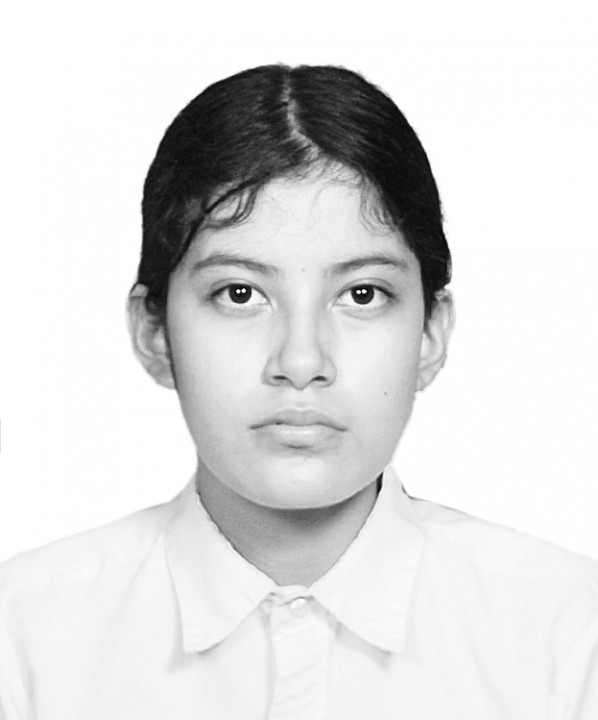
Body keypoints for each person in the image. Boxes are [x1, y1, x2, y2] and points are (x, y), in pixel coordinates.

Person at [0, 64, 596, 719]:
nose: (302, 361)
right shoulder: (25, 639)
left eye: (362, 294)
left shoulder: (569, 637)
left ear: (431, 332)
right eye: (239, 294)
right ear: (154, 332)